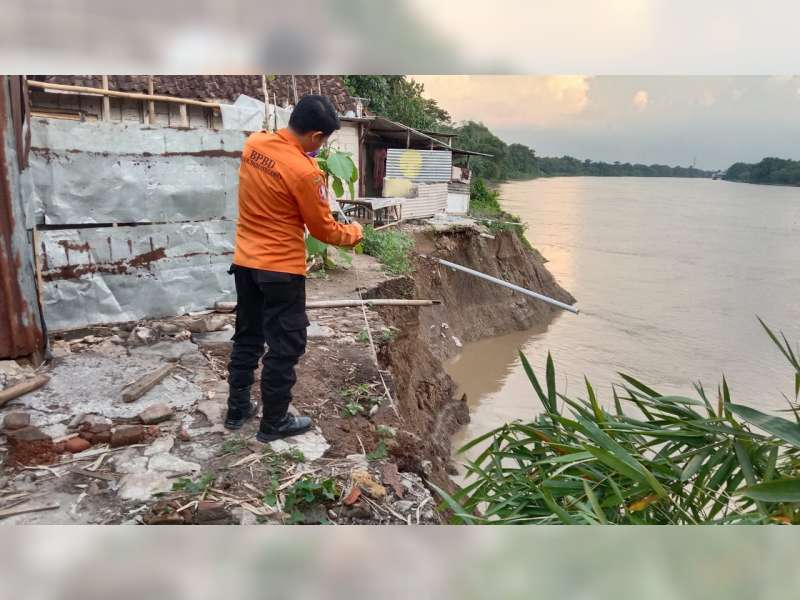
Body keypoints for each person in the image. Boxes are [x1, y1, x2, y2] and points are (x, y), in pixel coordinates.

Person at [225, 95, 363, 442]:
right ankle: (274, 423)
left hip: (245, 263)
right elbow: (323, 230)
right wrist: (355, 234)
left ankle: (238, 407)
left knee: (248, 336)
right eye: (325, 140)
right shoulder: (305, 172)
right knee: (286, 346)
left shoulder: (254, 143)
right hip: (280, 271)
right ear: (317, 136)